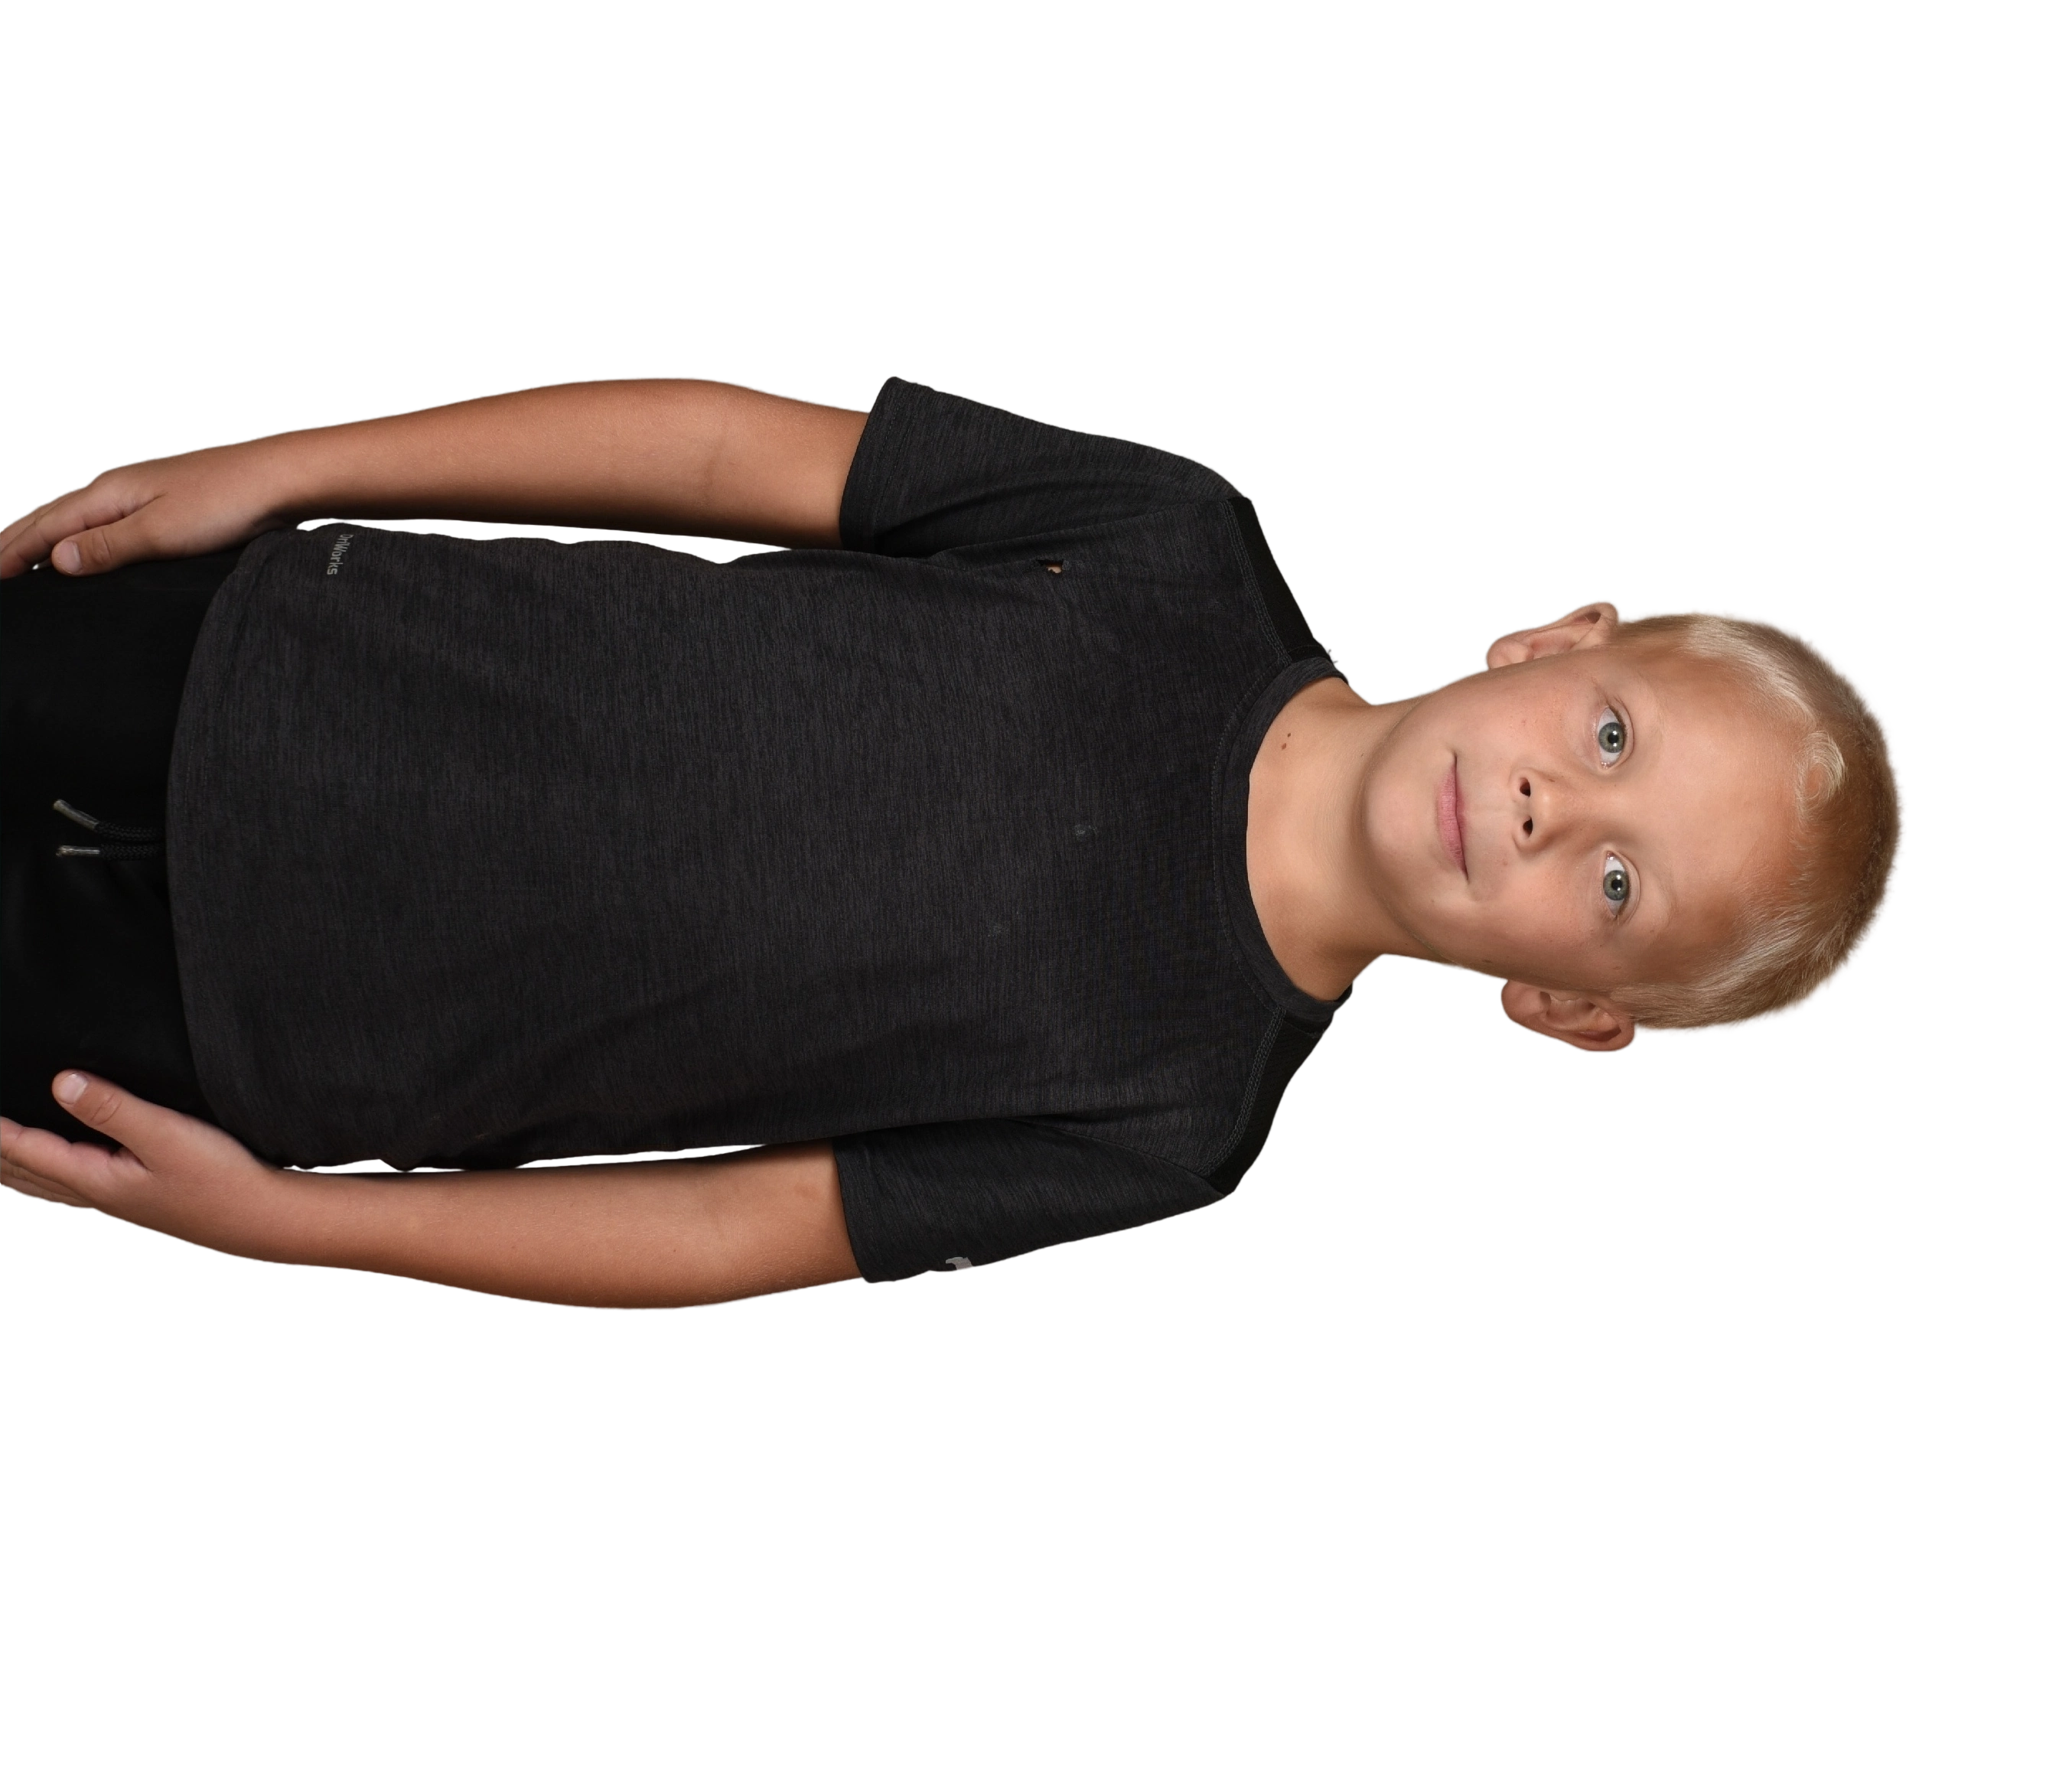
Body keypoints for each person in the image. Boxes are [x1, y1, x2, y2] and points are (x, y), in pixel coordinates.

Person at [0, 373, 1909, 1310]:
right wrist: (284, 462)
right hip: (259, 651)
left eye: (1616, 883)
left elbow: (730, 1229)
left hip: (241, 1042)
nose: (1552, 806)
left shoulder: (1175, 1120)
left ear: (1568, 1011)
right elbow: (716, 455)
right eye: (1609, 738)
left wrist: (294, 1227)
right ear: (1560, 637)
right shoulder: (1172, 543)